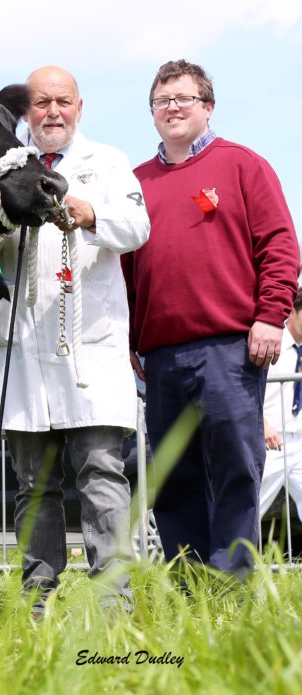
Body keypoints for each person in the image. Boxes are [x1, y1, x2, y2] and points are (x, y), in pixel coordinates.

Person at [0, 65, 150, 616]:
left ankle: (113, 607)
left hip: (88, 350)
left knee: (102, 475)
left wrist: (89, 212)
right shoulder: (3, 168)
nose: (52, 112)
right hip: (22, 351)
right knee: (33, 486)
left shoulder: (109, 163)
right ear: (26, 111)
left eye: (62, 101)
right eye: (41, 102)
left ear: (79, 106)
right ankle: (37, 604)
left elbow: (138, 227)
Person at [123, 59, 300, 579]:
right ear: (152, 113)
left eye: (183, 98)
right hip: (161, 356)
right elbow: (127, 272)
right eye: (161, 101)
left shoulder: (243, 165)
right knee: (173, 476)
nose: (172, 107)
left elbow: (280, 246)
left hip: (230, 348)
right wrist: (133, 339)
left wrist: (271, 316)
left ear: (208, 106)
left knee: (235, 470)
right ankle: (191, 586)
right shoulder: (136, 183)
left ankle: (233, 585)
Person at [259, 287, 302, 530]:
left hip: (299, 438)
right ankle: (229, 564)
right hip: (270, 440)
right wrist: (262, 424)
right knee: (250, 507)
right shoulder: (269, 343)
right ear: (293, 312)